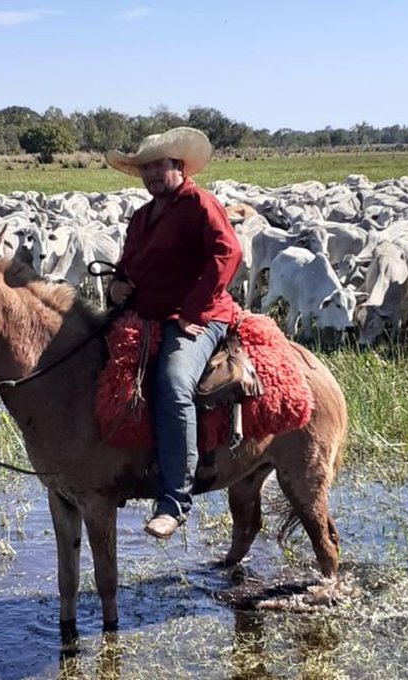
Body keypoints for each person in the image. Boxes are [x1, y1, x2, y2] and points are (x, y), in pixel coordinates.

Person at [105, 127, 243, 539]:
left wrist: (194, 308)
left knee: (172, 382)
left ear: (178, 166)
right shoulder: (143, 217)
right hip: (146, 312)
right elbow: (126, 265)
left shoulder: (201, 204)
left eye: (157, 166)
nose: (150, 174)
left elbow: (228, 252)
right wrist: (117, 286)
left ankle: (175, 499)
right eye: (145, 168)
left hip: (198, 316)